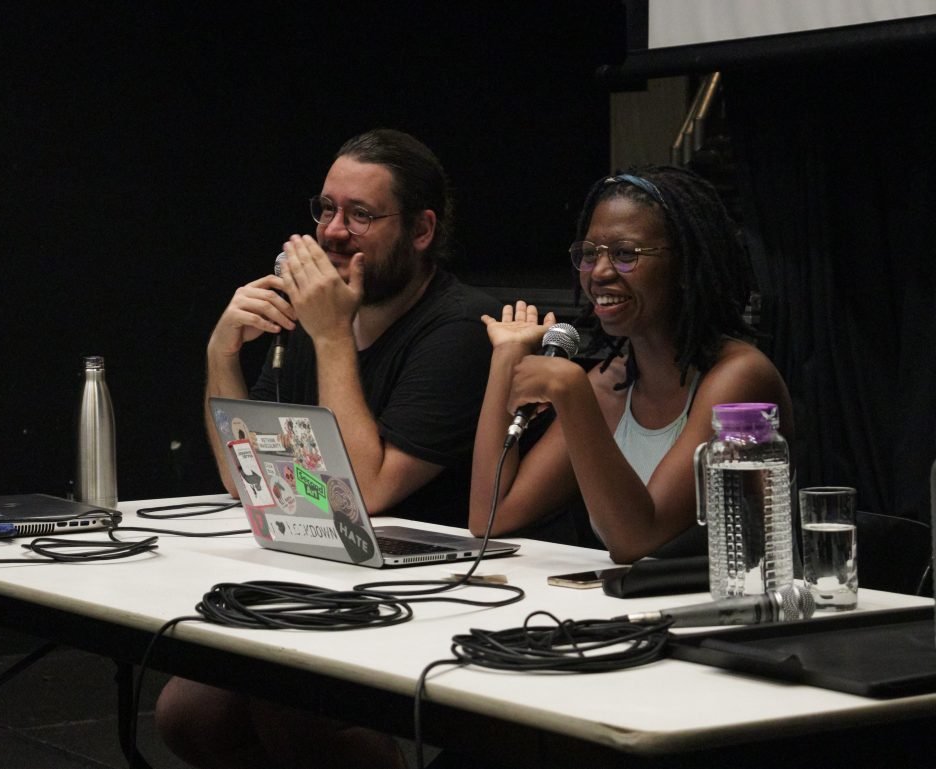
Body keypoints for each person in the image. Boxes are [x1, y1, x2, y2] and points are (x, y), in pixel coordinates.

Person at [156, 128, 495, 769]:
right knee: (189, 714)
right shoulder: (320, 319)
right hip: (322, 573)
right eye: (326, 209)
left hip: (426, 592)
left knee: (289, 705)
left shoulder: (458, 327)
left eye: (361, 214)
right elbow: (244, 479)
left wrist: (332, 335)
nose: (333, 232)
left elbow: (365, 492)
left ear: (421, 230)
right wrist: (221, 352)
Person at [468, 166, 794, 564]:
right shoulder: (611, 383)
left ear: (684, 266)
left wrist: (572, 393)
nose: (600, 272)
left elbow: (638, 541)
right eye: (590, 254)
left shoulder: (739, 377)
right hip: (634, 600)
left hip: (739, 600)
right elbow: (490, 518)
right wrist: (506, 356)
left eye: (625, 254)